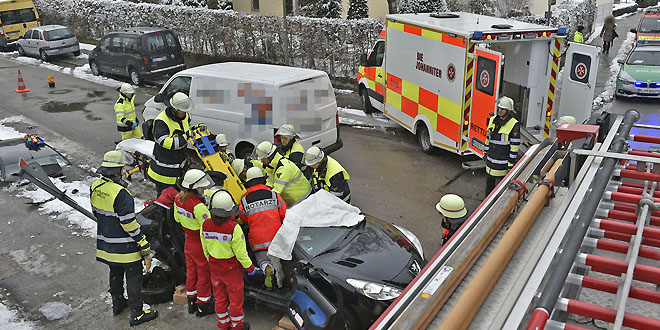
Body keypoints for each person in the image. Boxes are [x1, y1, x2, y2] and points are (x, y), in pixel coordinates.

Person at [90, 150, 158, 326]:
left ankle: (118, 303)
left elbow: (97, 214)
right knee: (134, 276)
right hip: (126, 247)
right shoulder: (121, 194)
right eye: (122, 168)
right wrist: (143, 243)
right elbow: (129, 224)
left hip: (107, 244)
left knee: (115, 272)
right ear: (117, 171)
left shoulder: (95, 187)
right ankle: (137, 313)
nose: (123, 171)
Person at [201, 189, 257, 330]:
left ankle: (223, 324)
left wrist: (211, 261)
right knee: (235, 301)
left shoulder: (205, 225)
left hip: (215, 268)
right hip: (232, 271)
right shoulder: (234, 228)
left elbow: (205, 248)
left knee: (219, 298)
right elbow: (241, 254)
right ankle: (237, 326)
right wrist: (250, 268)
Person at [174, 169, 215, 317]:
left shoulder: (178, 199)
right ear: (193, 187)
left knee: (191, 272)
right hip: (200, 243)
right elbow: (208, 228)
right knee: (204, 274)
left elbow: (177, 219)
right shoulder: (199, 207)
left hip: (188, 241)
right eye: (201, 187)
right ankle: (203, 305)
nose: (204, 189)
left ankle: (192, 300)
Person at [237, 167, 286, 289]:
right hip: (277, 237)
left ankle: (267, 269)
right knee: (281, 261)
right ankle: (281, 283)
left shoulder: (244, 200)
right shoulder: (273, 194)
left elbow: (244, 219)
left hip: (258, 241)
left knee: (263, 260)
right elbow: (283, 214)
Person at [147, 92, 193, 197]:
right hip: (163, 170)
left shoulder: (184, 116)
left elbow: (186, 127)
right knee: (164, 198)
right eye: (183, 111)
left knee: (176, 196)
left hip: (177, 165)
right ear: (174, 109)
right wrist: (185, 137)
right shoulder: (162, 121)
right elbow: (164, 142)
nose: (185, 113)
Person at [253, 141, 312, 207]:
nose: (261, 161)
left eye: (263, 158)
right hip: (293, 198)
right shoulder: (273, 166)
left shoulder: (284, 168)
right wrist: (265, 190)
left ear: (269, 156)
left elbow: (276, 192)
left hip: (303, 198)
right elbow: (270, 181)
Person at [484, 96, 520, 197]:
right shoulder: (492, 120)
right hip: (490, 161)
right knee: (489, 187)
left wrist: (510, 163)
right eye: (499, 108)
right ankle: (486, 204)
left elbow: (515, 146)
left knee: (501, 189)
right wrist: (485, 153)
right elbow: (488, 139)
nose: (499, 110)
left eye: (502, 109)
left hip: (503, 164)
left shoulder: (514, 124)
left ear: (508, 111)